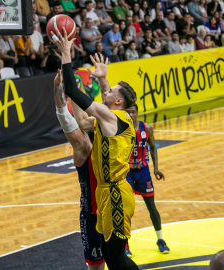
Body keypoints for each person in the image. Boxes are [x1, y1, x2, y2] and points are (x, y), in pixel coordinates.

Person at [51, 27, 138, 270]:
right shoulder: (114, 118)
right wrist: (101, 79)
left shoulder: (111, 118)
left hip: (116, 194)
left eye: (110, 92)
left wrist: (66, 54)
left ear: (118, 101)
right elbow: (91, 115)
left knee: (118, 258)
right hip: (107, 193)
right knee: (110, 257)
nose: (106, 93)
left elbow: (72, 90)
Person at [53, 69, 105, 270]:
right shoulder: (84, 146)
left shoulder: (110, 137)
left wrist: (99, 81)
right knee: (96, 267)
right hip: (92, 214)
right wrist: (59, 88)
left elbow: (86, 118)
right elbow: (66, 117)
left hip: (111, 208)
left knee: (117, 261)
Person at [124, 104, 170, 257]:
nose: (131, 114)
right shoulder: (120, 129)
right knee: (125, 209)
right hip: (127, 172)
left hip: (143, 172)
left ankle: (160, 240)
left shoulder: (147, 128)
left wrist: (156, 168)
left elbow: (153, 147)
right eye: (128, 112)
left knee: (152, 207)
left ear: (137, 113)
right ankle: (124, 245)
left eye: (133, 112)